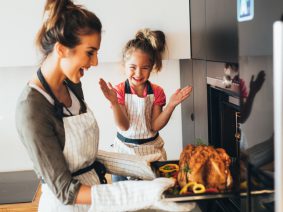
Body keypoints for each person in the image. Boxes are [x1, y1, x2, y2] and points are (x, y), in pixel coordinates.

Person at [15, 0, 195, 211]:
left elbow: (83, 156)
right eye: (90, 52)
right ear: (62, 49)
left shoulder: (71, 86)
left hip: (96, 201)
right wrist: (144, 192)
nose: (95, 62)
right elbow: (65, 191)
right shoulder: (31, 109)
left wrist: (145, 168)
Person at [99, 29, 193, 182]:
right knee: (123, 198)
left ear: (152, 67)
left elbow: (155, 125)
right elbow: (123, 126)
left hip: (151, 152)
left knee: (154, 194)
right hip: (124, 153)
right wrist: (114, 103)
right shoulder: (119, 91)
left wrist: (171, 105)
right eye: (133, 67)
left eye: (145, 68)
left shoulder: (157, 92)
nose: (138, 73)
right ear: (124, 65)